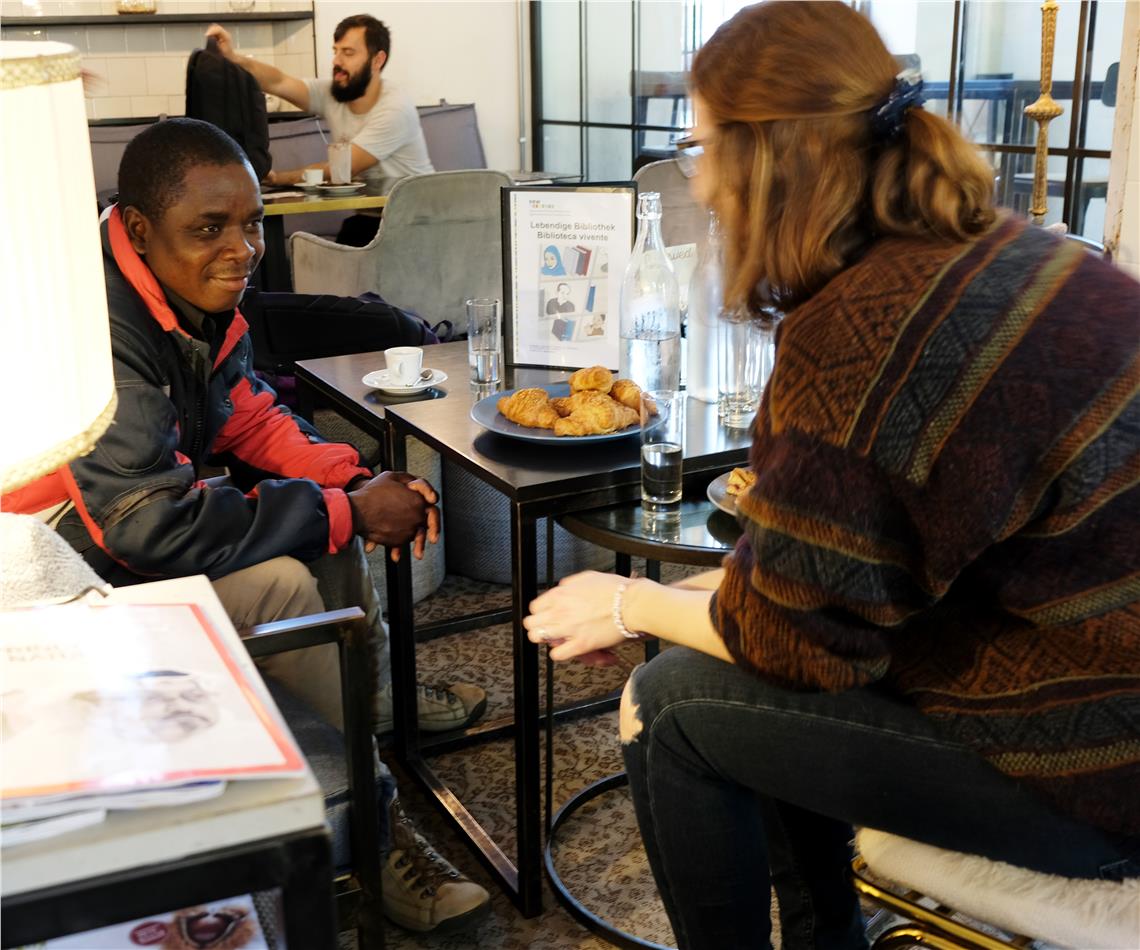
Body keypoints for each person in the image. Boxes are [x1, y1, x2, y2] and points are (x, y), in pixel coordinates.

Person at [524, 3, 1140, 948]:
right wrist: (695, 596)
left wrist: (626, 603)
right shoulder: (1013, 252)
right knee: (730, 661)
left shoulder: (862, 334)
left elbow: (797, 644)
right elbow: (843, 574)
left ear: (765, 159)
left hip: (1105, 771)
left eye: (702, 150)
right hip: (1087, 674)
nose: (703, 184)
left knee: (672, 702)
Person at [2, 118, 490, 937]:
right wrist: (348, 509)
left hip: (123, 532)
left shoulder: (182, 291)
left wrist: (352, 481)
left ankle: (369, 705)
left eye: (251, 223)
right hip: (57, 572)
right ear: (138, 229)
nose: (242, 250)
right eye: (209, 229)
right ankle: (374, 829)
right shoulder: (95, 324)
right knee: (287, 580)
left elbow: (247, 413)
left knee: (323, 533)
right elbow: (146, 525)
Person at [206, 14, 434, 246]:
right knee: (345, 241)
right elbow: (278, 82)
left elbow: (342, 168)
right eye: (336, 51)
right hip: (374, 220)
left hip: (419, 223)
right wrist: (233, 58)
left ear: (378, 60)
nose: (337, 61)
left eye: (348, 53)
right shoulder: (333, 93)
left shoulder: (395, 109)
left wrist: (276, 178)